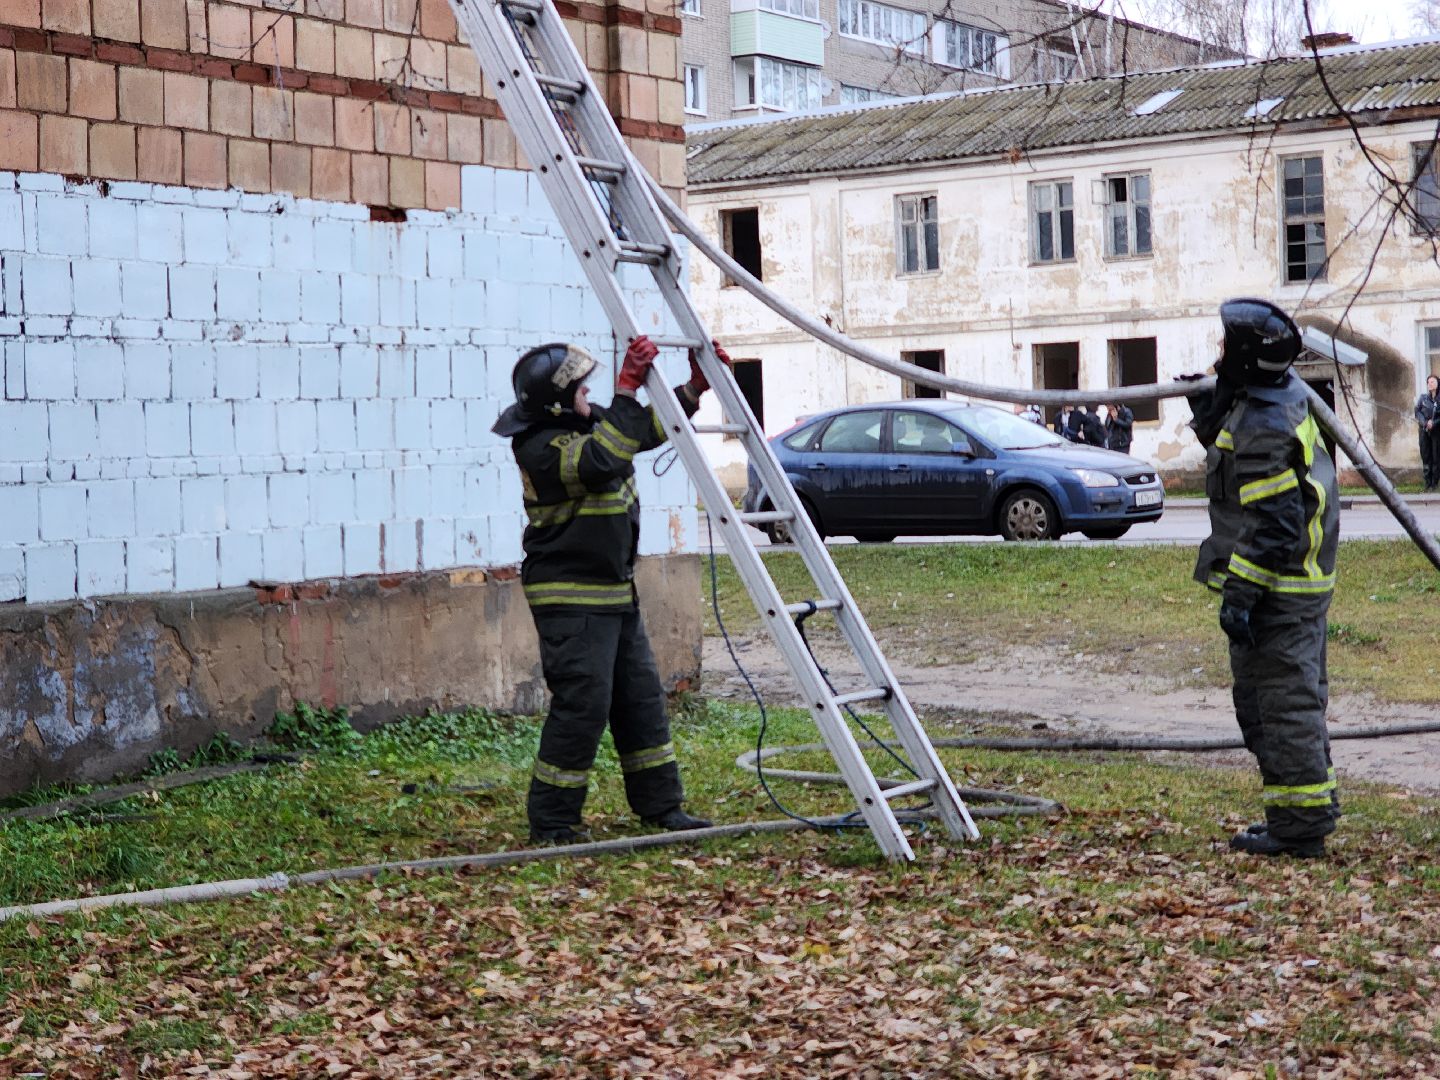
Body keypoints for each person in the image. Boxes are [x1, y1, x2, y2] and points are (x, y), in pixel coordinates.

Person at [491, 335, 730, 843]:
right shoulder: (538, 447)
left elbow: (640, 431)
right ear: (558, 400)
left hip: (615, 592)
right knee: (585, 703)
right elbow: (603, 459)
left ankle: (662, 807)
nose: (588, 395)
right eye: (582, 389)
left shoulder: (591, 421)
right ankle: (553, 821)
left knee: (640, 699)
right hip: (569, 597)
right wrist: (626, 389)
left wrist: (693, 389)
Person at [1188, 298, 1340, 859]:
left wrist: (1242, 595)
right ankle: (1298, 817)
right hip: (1293, 587)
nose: (1219, 352)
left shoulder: (1264, 421)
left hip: (1279, 593)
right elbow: (1233, 466)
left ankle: (1300, 832)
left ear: (1248, 357)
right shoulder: (1276, 397)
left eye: (1227, 345)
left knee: (1283, 710)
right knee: (1277, 706)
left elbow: (1273, 525)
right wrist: (1210, 407)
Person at [1416, 374, 1440, 491]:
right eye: (1429, 382)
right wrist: (1425, 423)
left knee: (1436, 457)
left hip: (1436, 432)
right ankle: (1427, 483)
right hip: (1424, 431)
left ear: (1437, 384)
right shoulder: (1423, 398)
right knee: (1426, 456)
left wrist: (1434, 423)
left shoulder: (1439, 399)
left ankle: (1434, 483)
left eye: (1433, 382)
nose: (1430, 384)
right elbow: (1418, 412)